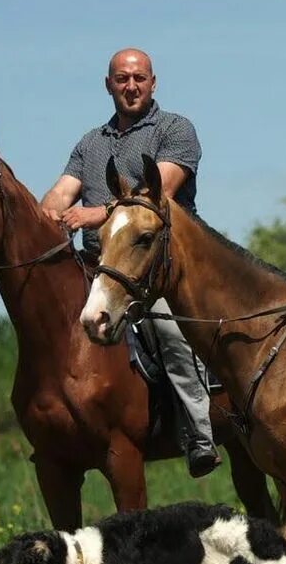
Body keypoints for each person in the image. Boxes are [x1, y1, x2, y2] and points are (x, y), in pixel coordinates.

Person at [40, 48, 220, 478]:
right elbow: (60, 194)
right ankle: (52, 431)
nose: (131, 86)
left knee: (167, 327)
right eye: (122, 79)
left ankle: (200, 433)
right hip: (99, 264)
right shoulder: (91, 142)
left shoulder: (176, 130)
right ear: (109, 85)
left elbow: (154, 195)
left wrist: (89, 214)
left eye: (139, 78)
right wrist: (45, 217)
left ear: (153, 83)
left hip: (157, 264)